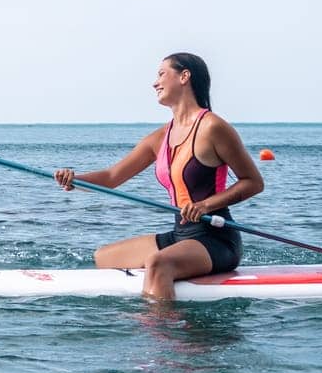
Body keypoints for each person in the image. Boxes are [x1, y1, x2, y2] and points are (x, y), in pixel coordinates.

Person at [54, 53, 264, 302]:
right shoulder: (161, 137)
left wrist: (205, 205)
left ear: (184, 76)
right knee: (103, 257)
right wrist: (74, 180)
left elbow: (253, 181)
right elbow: (112, 177)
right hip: (180, 236)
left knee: (157, 263)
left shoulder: (212, 127)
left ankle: (162, 333)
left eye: (162, 74)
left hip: (216, 240)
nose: (155, 82)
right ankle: (157, 286)